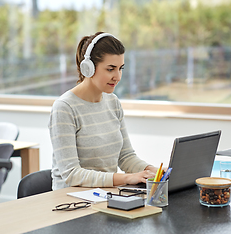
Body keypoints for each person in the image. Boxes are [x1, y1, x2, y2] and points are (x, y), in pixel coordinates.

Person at [49, 32, 158, 190]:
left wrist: (151, 171)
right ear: (88, 68)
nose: (118, 76)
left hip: (104, 195)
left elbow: (125, 157)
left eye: (120, 68)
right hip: (70, 200)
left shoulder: (113, 102)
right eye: (110, 69)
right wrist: (127, 178)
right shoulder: (64, 108)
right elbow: (71, 174)